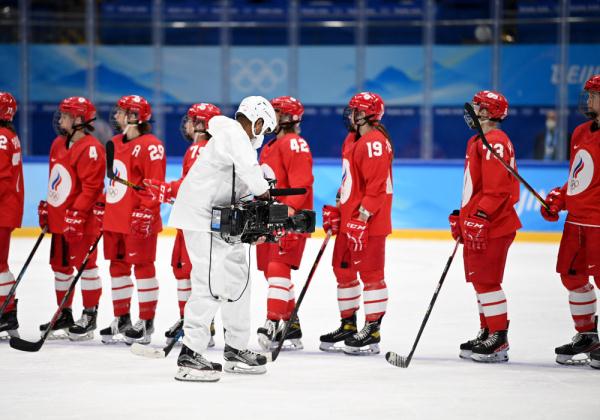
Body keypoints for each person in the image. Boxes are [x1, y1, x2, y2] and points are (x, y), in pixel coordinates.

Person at [168, 95, 276, 382]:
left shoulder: (237, 146)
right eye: (264, 129)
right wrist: (264, 189)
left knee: (238, 281)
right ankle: (190, 354)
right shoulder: (231, 132)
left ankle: (236, 349)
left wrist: (256, 225)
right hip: (201, 218)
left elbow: (242, 189)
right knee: (209, 285)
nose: (262, 136)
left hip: (222, 221)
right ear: (257, 119)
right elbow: (252, 176)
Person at [140, 102, 222, 346]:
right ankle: (194, 321)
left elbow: (192, 187)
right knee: (189, 272)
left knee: (189, 273)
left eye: (190, 119)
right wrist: (171, 189)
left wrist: (168, 189)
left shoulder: (199, 149)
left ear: (200, 124)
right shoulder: (214, 149)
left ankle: (197, 325)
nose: (186, 124)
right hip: (202, 222)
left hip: (194, 223)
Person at [319, 92, 393, 356]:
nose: (350, 115)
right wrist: (341, 207)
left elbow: (377, 188)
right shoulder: (353, 139)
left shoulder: (375, 142)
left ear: (366, 115)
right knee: (343, 270)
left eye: (355, 111)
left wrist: (363, 216)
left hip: (368, 223)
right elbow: (351, 181)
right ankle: (348, 325)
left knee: (372, 275)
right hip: (351, 221)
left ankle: (372, 329)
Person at [449, 90, 521, 363]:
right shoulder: (479, 140)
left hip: (494, 224)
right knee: (480, 280)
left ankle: (499, 338)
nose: (473, 111)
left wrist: (479, 216)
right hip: (483, 222)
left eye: (478, 107)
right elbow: (478, 188)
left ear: (489, 113)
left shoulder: (495, 141)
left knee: (487, 281)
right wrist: (464, 215)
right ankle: (488, 330)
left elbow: (497, 189)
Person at [539, 74, 600, 368]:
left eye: (593, 95)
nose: (588, 101)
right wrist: (559, 197)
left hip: (599, 223)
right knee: (572, 277)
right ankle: (587, 335)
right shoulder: (580, 132)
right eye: (588, 95)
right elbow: (578, 177)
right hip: (576, 223)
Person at [38, 96, 105, 340]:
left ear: (78, 119)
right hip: (59, 220)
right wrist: (48, 204)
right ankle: (64, 313)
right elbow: (54, 177)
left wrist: (77, 213)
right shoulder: (58, 143)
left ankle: (89, 315)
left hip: (82, 222)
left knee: (85, 267)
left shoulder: (92, 148)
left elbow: (91, 187)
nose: (61, 119)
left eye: (66, 115)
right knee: (60, 268)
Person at [100, 95, 166, 345]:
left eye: (121, 112)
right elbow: (114, 182)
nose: (116, 116)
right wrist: (102, 206)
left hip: (138, 219)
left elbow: (155, 185)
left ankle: (146, 321)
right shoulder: (114, 142)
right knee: (117, 268)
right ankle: (122, 317)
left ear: (135, 117)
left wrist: (147, 211)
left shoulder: (151, 145)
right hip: (115, 219)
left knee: (143, 267)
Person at [255, 96, 314, 351]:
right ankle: (292, 326)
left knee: (278, 268)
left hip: (289, 219)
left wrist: (287, 216)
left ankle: (273, 321)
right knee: (271, 270)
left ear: (287, 118)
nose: (271, 116)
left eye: (276, 112)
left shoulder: (294, 143)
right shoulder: (269, 145)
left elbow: (301, 185)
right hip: (271, 217)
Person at [0, 92, 24, 339]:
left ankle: (6, 313)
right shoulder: (8, 136)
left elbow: (1, 178)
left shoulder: (2, 138)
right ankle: (6, 313)